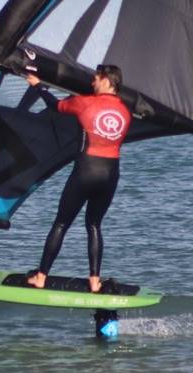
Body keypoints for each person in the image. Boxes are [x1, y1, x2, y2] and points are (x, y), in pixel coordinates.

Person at [25, 64, 130, 293]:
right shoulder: (125, 111)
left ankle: (41, 277)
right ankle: (94, 281)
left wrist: (38, 86)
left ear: (105, 80)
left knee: (61, 223)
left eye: (95, 79)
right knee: (94, 225)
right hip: (111, 173)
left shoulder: (85, 103)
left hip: (86, 170)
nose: (92, 82)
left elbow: (55, 106)